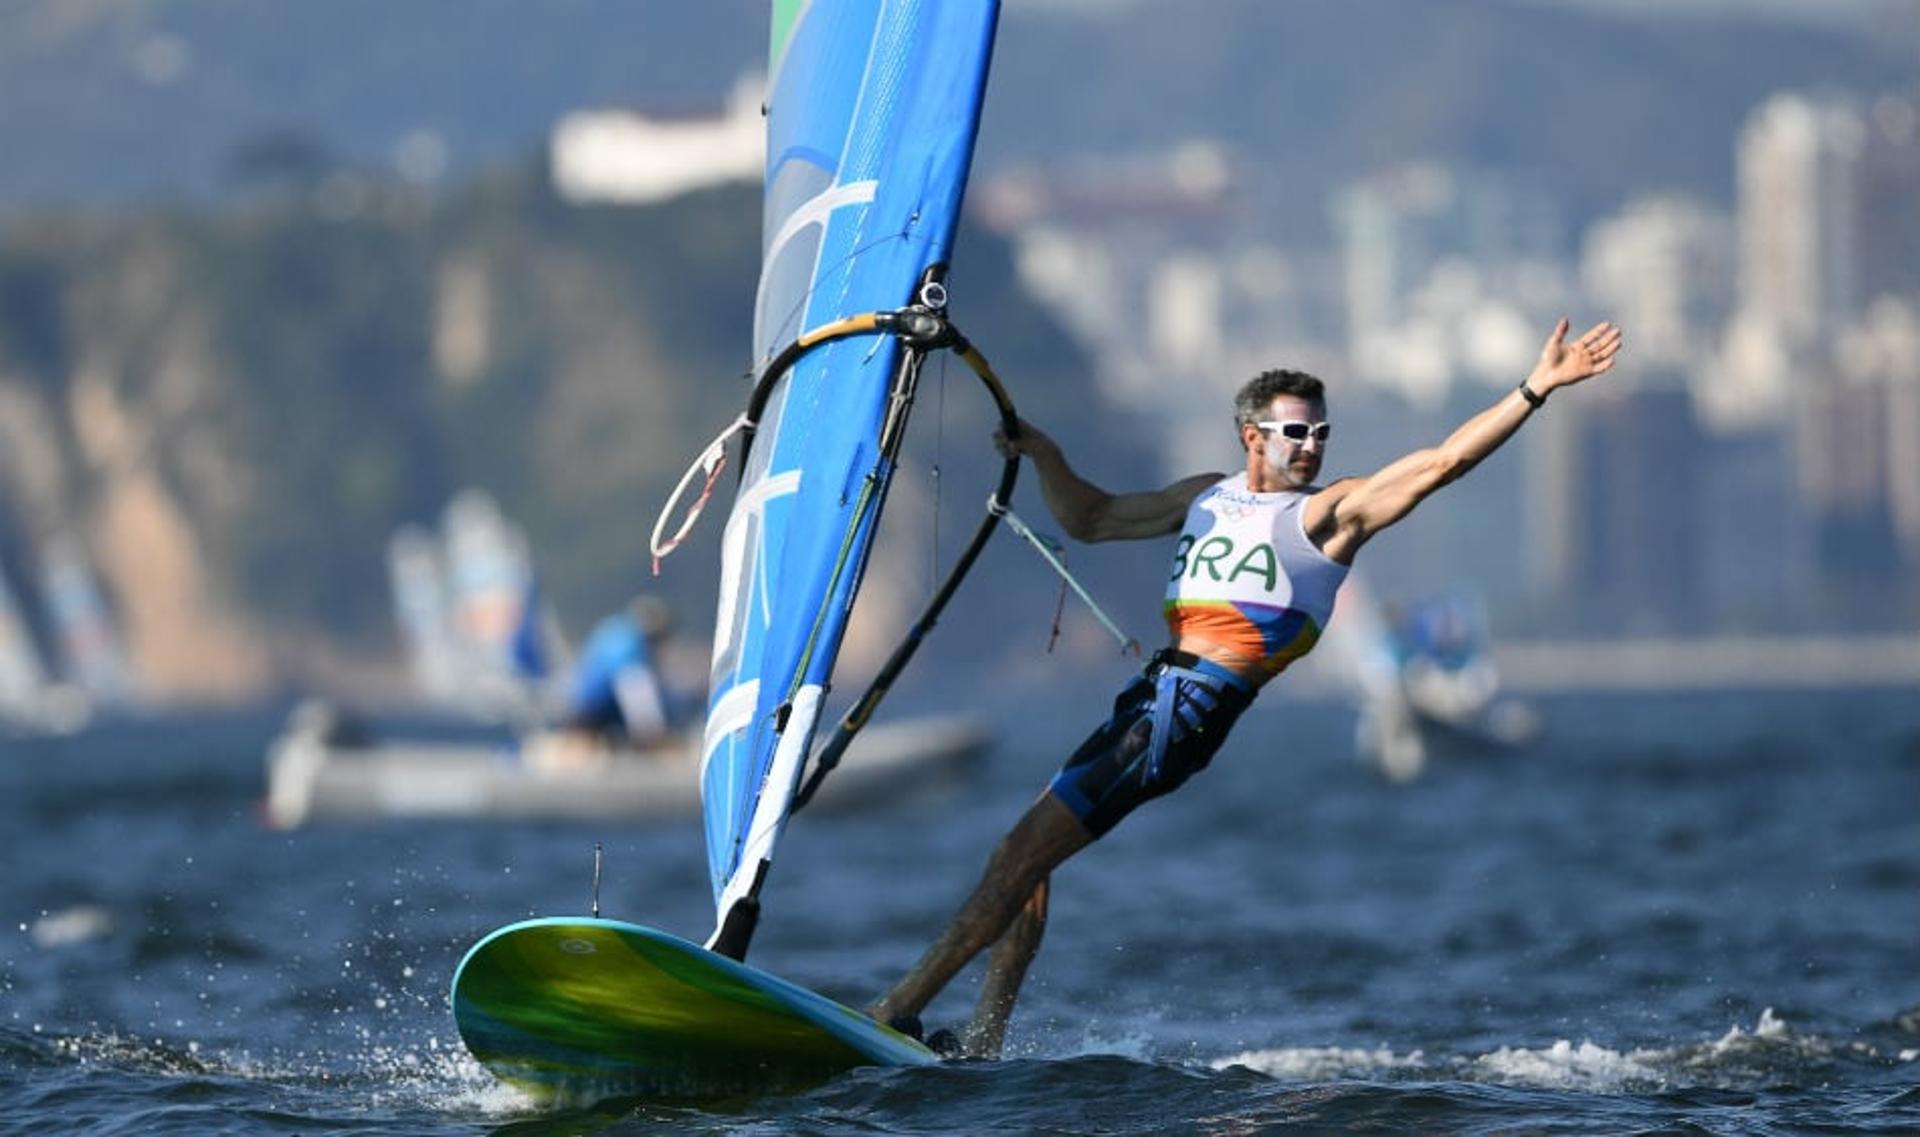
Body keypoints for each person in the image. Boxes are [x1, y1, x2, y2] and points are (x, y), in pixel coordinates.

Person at [868, 317, 1624, 1057]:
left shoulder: (1330, 516)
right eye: (1296, 432)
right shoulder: (1206, 495)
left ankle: (897, 1010)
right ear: (1252, 436)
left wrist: (1535, 388)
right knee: (1030, 859)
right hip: (1149, 697)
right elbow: (1092, 517)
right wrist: (1045, 452)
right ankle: (986, 1037)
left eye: (1321, 432)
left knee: (1015, 856)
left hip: (1186, 711)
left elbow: (1441, 462)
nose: (1312, 445)